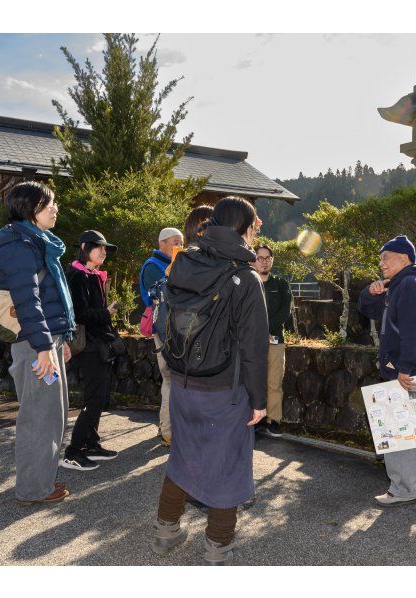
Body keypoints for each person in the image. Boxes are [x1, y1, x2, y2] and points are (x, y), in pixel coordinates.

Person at [151, 196, 268, 565]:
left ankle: (166, 530)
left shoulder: (183, 262)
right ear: (245, 229)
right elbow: (253, 347)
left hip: (183, 380)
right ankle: (217, 545)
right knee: (228, 463)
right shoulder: (245, 277)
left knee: (183, 454)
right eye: (254, 225)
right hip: (224, 388)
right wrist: (259, 400)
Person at [0, 181, 75, 505]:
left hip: (44, 341)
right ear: (29, 208)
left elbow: (46, 299)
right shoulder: (18, 245)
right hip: (35, 344)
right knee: (39, 418)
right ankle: (33, 490)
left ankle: (39, 481)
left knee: (50, 415)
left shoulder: (35, 242)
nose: (55, 209)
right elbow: (27, 302)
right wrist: (44, 348)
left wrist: (60, 339)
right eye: (47, 204)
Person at [357, 235, 416, 507]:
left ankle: (404, 489)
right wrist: (370, 292)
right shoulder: (402, 284)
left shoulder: (408, 285)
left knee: (400, 429)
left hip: (407, 370)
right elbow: (368, 310)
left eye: (386, 257)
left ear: (404, 258)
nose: (381, 263)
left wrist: (406, 368)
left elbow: (414, 331)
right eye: (380, 258)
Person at [61, 230, 121, 471]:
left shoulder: (91, 274)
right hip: (87, 346)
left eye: (105, 249)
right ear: (85, 247)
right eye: (99, 247)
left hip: (98, 344)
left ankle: (91, 444)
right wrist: (107, 313)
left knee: (100, 397)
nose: (104, 252)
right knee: (93, 399)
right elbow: (79, 314)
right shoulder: (76, 275)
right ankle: (73, 452)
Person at [139, 227, 184, 446]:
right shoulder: (152, 265)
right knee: (170, 378)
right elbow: (158, 296)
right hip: (164, 328)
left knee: (175, 379)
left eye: (181, 242)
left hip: (177, 328)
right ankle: (168, 432)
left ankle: (167, 427)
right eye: (175, 241)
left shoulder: (176, 263)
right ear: (162, 243)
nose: (179, 246)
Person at [253, 244, 293, 438]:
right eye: (260, 258)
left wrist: (265, 330)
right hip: (251, 342)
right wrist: (258, 333)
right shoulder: (248, 283)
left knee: (274, 383)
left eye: (267, 258)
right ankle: (255, 419)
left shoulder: (281, 284)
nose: (264, 262)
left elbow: (285, 312)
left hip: (275, 341)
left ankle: (274, 420)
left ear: (272, 260)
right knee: (253, 381)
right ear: (253, 260)